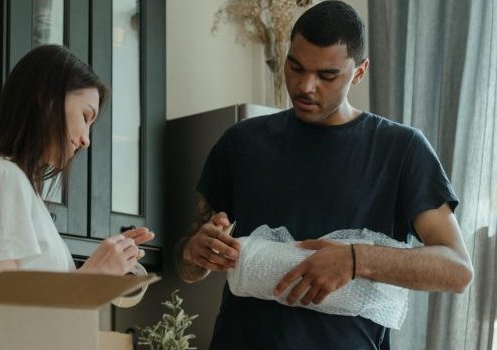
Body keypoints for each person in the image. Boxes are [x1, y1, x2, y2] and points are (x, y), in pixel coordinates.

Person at [174, 1, 474, 349]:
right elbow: (187, 268)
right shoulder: (240, 142)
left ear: (359, 72)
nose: (305, 86)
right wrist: (195, 252)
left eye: (327, 76)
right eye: (295, 67)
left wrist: (356, 259)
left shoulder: (401, 149)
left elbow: (457, 270)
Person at [0, 44, 153, 286]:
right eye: (85, 117)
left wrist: (104, 268)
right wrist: (93, 275)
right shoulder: (2, 176)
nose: (86, 140)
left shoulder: (20, 188)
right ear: (47, 98)